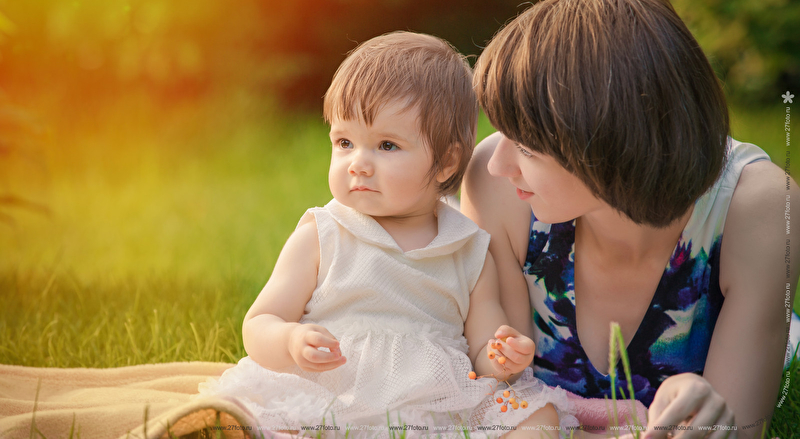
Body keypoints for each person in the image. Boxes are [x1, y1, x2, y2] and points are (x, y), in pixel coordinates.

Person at [462, 0, 800, 438]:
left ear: (607, 144)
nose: (499, 163)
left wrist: (707, 422)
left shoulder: (757, 208)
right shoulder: (497, 188)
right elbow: (499, 403)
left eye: (527, 148)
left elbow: (741, 428)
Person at [199, 32, 577, 436]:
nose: (358, 163)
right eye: (344, 142)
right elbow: (260, 322)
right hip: (332, 389)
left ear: (447, 161)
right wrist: (291, 339)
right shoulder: (323, 233)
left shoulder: (468, 249)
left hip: (434, 399)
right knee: (247, 417)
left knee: (538, 416)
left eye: (386, 145)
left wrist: (501, 355)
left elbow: (483, 348)